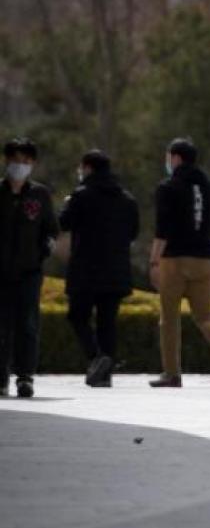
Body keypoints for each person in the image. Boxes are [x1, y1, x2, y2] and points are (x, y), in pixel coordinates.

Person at [149, 138, 210, 388]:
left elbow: (162, 228)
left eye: (168, 157)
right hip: (205, 260)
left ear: (176, 158)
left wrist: (154, 261)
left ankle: (171, 373)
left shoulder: (168, 187)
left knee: (169, 318)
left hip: (174, 260)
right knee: (204, 315)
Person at [59, 150, 140, 387]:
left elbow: (63, 223)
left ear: (87, 168)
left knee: (77, 316)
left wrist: (66, 205)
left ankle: (97, 357)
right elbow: (133, 233)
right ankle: (105, 374)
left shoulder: (81, 195)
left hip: (85, 270)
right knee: (108, 322)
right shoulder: (127, 199)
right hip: (116, 271)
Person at [0, 137, 58, 398]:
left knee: (27, 325)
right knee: (2, 326)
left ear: (32, 164)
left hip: (29, 272)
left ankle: (25, 377)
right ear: (6, 161)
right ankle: (1, 378)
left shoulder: (40, 195)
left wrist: (44, 249)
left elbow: (51, 230)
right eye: (14, 161)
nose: (19, 166)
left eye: (25, 161)